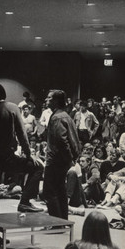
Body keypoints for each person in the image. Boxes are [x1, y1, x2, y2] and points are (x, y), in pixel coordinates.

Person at [0, 82, 44, 247]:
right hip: (7, 157)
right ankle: (25, 201)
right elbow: (21, 133)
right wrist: (28, 154)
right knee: (38, 168)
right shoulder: (12, 108)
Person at [43, 89, 81, 219]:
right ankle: (63, 219)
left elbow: (61, 140)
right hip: (62, 160)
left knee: (49, 191)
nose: (46, 100)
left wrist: (68, 158)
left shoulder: (56, 117)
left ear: (56, 101)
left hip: (56, 160)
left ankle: (55, 223)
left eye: (49, 98)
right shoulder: (66, 115)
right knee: (60, 190)